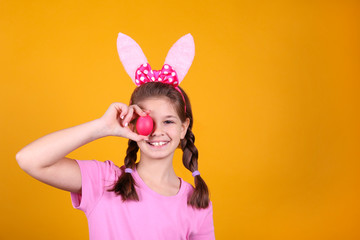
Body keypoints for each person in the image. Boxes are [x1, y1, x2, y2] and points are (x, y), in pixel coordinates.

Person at [16, 33, 215, 240]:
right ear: (132, 124)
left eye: (169, 121)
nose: (157, 131)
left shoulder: (197, 202)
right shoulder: (105, 181)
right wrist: (102, 126)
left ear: (184, 127)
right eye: (147, 121)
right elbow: (29, 159)